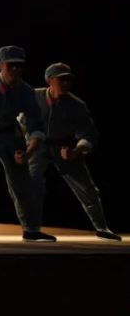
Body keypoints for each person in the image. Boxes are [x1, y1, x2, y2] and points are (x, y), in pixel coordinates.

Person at [28, 63, 121, 241]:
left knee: (87, 188)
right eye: (61, 79)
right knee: (31, 186)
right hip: (37, 145)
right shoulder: (33, 96)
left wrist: (77, 151)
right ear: (49, 81)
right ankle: (31, 229)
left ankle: (102, 227)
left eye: (69, 80)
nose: (66, 83)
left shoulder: (77, 105)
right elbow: (19, 119)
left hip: (65, 147)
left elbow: (89, 134)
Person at [0, 46, 56, 242]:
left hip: (10, 133)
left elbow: (35, 125)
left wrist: (29, 151)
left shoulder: (26, 91)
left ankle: (31, 229)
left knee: (22, 182)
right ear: (0, 66)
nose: (16, 70)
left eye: (20, 66)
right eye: (11, 66)